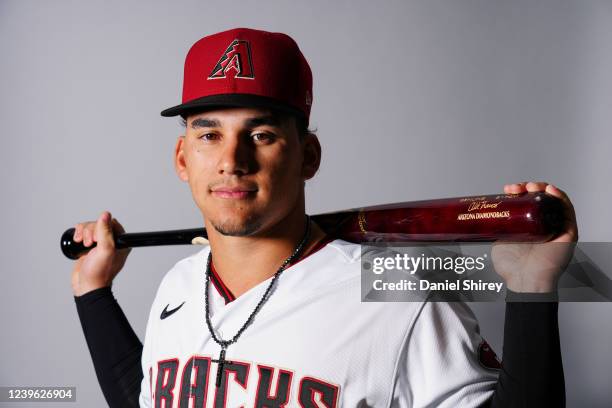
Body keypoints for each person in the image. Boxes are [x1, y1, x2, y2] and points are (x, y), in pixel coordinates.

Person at [72, 27, 576, 407]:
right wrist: (93, 294)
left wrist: (532, 290)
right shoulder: (177, 286)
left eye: (262, 134)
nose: (232, 159)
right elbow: (144, 397)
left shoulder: (397, 289)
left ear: (308, 156)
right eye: (209, 135)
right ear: (183, 158)